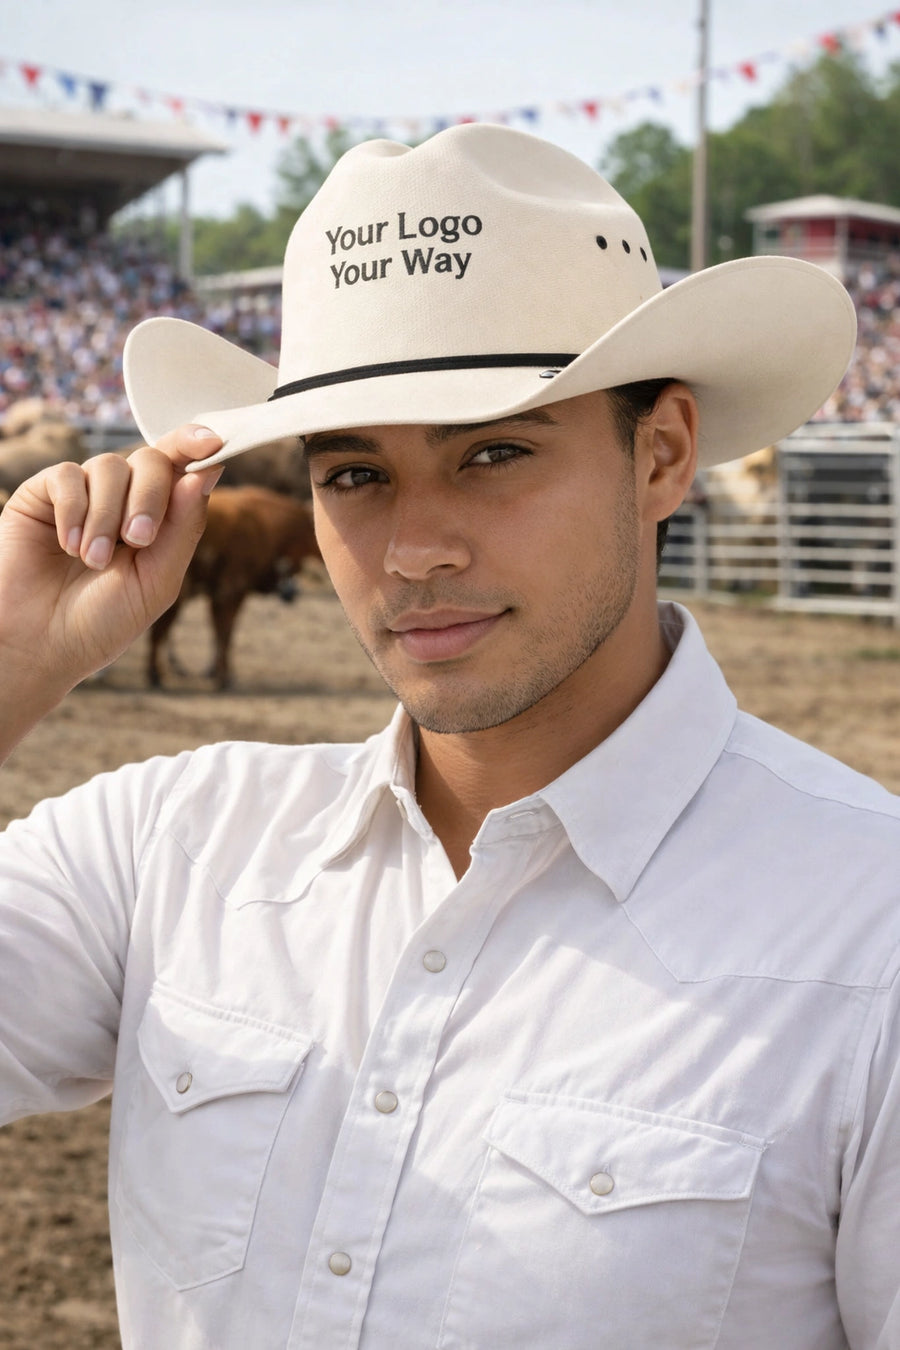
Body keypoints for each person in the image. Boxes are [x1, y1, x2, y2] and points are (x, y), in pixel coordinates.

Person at [0, 124, 896, 1350]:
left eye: (494, 453)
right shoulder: (162, 845)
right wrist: (12, 655)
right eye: (355, 474)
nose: (416, 549)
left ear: (664, 454)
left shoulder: (869, 932)